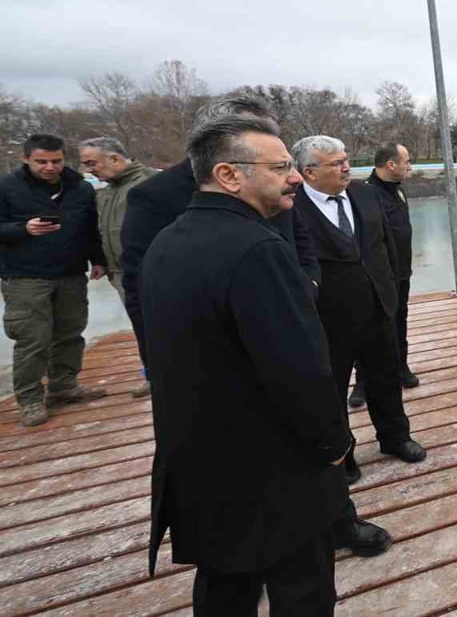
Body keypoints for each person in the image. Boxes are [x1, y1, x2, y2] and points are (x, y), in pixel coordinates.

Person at [142, 115, 350, 615]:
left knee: (225, 586)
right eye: (280, 167)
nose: (295, 176)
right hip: (271, 471)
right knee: (302, 587)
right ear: (230, 175)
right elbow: (298, 369)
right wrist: (334, 443)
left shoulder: (168, 242)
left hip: (199, 462)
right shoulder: (257, 250)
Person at [120, 96, 320, 385]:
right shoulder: (153, 196)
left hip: (285, 325)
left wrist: (308, 285)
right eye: (251, 131)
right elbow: (141, 286)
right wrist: (156, 359)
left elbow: (301, 240)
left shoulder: (277, 182)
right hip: (212, 351)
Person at [290, 135, 426, 490]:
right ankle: (344, 455)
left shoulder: (365, 194)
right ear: (309, 172)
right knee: (333, 390)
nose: (346, 167)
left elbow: (386, 249)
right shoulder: (291, 209)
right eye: (335, 164)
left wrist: (391, 295)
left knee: (385, 376)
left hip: (378, 308)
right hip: (328, 319)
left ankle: (395, 437)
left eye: (346, 160)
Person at [0, 133, 108, 427]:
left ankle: (63, 386)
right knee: (32, 340)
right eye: (41, 162)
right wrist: (23, 229)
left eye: (56, 161)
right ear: (26, 159)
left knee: (70, 333)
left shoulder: (80, 188)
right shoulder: (6, 187)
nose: (50, 167)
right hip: (25, 276)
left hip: (71, 273)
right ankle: (30, 399)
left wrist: (98, 259)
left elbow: (90, 228)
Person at [78, 136, 156, 397]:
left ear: (113, 158)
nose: (90, 170)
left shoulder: (150, 182)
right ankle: (152, 375)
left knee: (160, 325)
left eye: (92, 163)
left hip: (151, 271)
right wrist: (100, 260)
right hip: (120, 274)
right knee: (141, 327)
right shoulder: (106, 192)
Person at [349, 142, 417, 410]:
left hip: (401, 272)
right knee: (371, 327)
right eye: (407, 161)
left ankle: (400, 367)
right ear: (391, 165)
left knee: (400, 319)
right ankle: (362, 382)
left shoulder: (398, 191)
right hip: (378, 276)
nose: (410, 166)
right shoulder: (365, 194)